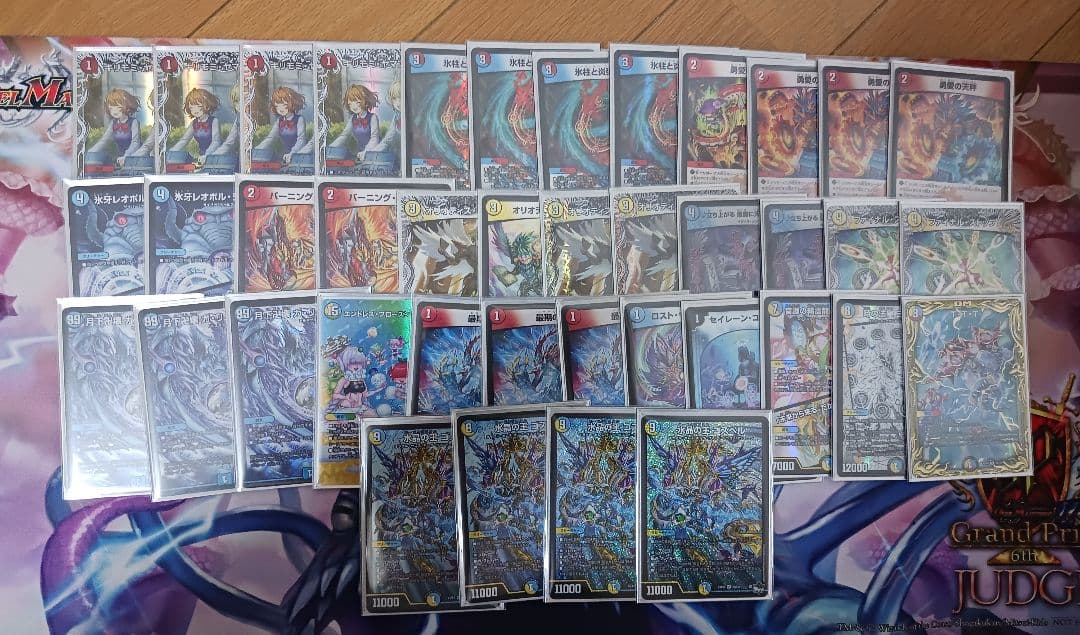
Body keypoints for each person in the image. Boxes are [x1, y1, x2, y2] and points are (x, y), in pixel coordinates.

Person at [89, 88, 142, 168]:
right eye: (111, 108)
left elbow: (135, 142)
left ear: (127, 106)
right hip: (120, 159)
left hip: (135, 158)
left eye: (118, 107)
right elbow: (104, 140)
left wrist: (127, 156)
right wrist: (90, 152)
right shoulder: (113, 123)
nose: (114, 111)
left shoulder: (134, 122)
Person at [255, 86, 308, 164]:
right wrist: (257, 149)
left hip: (299, 156)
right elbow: (270, 138)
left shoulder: (299, 119)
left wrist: (292, 153)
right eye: (277, 106)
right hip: (284, 156)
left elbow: (301, 140)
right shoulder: (279, 121)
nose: (280, 109)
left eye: (284, 105)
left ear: (292, 103)